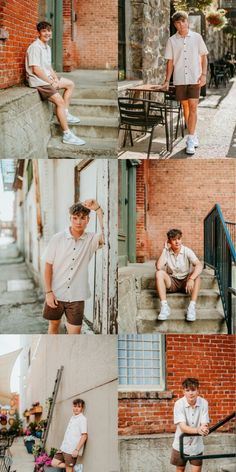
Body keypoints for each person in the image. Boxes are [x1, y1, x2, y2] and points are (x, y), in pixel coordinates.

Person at [42, 200, 104, 334]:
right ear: (70, 218)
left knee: (75, 334)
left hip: (77, 296)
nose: (78, 222)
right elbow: (48, 266)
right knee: (54, 324)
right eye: (75, 218)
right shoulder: (57, 239)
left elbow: (108, 235)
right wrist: (48, 292)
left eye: (82, 218)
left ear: (88, 219)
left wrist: (98, 210)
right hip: (56, 293)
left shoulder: (91, 239)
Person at [25, 21, 86, 146]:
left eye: (49, 30)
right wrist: (50, 82)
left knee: (70, 84)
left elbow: (48, 67)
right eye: (44, 31)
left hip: (47, 79)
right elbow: (36, 70)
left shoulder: (47, 47)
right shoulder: (35, 47)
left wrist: (55, 78)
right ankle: (67, 134)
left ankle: (66, 113)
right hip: (38, 81)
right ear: (39, 33)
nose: (47, 33)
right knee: (60, 101)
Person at [163, 11, 208, 155]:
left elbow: (204, 57)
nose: (180, 25)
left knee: (193, 106)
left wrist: (204, 75)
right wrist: (166, 80)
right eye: (177, 23)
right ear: (174, 24)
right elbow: (170, 62)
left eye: (182, 21)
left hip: (195, 77)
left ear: (187, 22)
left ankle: (190, 139)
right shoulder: (172, 40)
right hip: (180, 78)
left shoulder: (197, 37)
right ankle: (194, 134)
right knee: (186, 106)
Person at [156, 229, 202, 321]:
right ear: (169, 241)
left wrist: (191, 279)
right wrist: (165, 249)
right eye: (174, 239)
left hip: (186, 283)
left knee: (197, 277)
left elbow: (199, 265)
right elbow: (159, 266)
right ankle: (165, 307)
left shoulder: (187, 250)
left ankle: (191, 308)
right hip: (172, 282)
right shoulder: (167, 251)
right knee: (159, 273)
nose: (177, 242)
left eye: (179, 239)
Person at [170, 378, 209, 472]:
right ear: (183, 391)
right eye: (187, 390)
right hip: (180, 445)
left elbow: (204, 423)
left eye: (193, 390)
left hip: (196, 445)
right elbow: (183, 427)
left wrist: (204, 429)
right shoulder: (179, 404)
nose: (190, 393)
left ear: (198, 391)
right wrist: (198, 430)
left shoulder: (204, 403)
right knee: (180, 469)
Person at [52, 398, 88, 472]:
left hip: (71, 450)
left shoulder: (82, 419)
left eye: (79, 407)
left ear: (82, 408)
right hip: (64, 449)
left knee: (68, 470)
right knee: (54, 463)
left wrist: (76, 450)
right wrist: (61, 448)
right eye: (75, 406)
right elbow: (68, 435)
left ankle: (71, 467)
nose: (76, 408)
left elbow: (84, 436)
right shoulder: (72, 417)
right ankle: (74, 467)